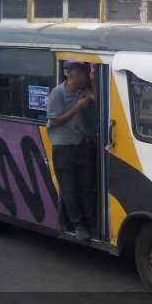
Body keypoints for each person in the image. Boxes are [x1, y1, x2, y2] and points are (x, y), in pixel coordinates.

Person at [46, 62, 97, 241]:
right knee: (69, 189)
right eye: (84, 76)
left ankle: (91, 224)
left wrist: (93, 79)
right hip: (63, 147)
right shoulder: (57, 93)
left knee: (86, 186)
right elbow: (56, 121)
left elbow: (97, 99)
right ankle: (78, 225)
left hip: (80, 144)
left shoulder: (81, 92)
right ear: (74, 76)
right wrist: (78, 107)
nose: (85, 80)